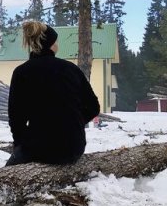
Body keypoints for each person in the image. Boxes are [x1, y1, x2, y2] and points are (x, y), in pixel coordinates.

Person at [6, 21, 100, 166]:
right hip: (73, 147)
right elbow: (93, 106)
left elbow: (16, 118)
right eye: (56, 41)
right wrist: (74, 123)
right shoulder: (70, 69)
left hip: (39, 148)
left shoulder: (22, 72)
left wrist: (21, 145)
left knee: (6, 177)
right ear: (51, 44)